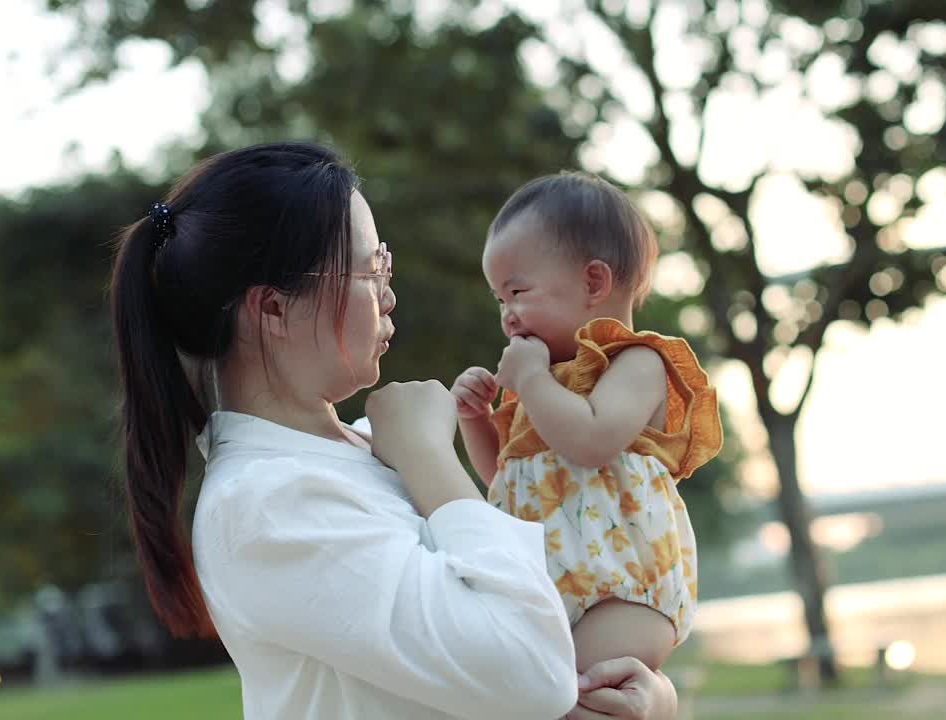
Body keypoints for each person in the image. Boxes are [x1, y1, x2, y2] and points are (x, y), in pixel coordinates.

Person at [108, 141, 679, 719]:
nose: (389, 293)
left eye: (386, 262)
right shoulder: (266, 504)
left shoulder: (360, 450)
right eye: (369, 268)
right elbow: (533, 674)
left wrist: (650, 700)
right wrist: (431, 453)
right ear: (274, 309)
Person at [452, 172, 723, 674]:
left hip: (621, 591)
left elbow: (593, 442)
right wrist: (477, 419)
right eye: (499, 300)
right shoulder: (545, 388)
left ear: (593, 282)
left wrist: (531, 382)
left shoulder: (636, 362)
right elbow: (505, 480)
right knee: (531, 690)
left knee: (560, 692)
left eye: (517, 291)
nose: (508, 315)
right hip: (550, 592)